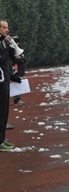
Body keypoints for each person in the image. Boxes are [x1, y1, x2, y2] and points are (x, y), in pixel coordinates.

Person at [0, 19, 20, 151]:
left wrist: (12, 76)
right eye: (4, 27)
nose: (7, 30)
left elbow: (4, 63)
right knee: (1, 111)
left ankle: (2, 139)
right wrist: (9, 52)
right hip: (0, 81)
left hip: (4, 80)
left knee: (4, 112)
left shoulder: (2, 42)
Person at [11, 35, 26, 107]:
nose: (16, 43)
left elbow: (23, 59)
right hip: (13, 71)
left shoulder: (19, 50)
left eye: (17, 41)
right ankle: (16, 100)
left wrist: (22, 59)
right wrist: (22, 60)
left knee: (17, 85)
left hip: (19, 70)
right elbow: (12, 60)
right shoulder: (10, 50)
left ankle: (17, 100)